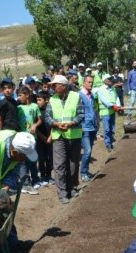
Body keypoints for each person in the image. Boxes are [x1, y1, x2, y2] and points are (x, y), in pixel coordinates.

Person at [45, 75, 84, 204]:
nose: (53, 87)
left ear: (64, 86)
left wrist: (71, 123)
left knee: (73, 164)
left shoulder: (76, 96)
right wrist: (56, 124)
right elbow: (47, 117)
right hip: (58, 136)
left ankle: (72, 187)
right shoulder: (52, 99)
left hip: (74, 135)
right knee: (60, 165)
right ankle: (62, 193)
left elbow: (81, 114)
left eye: (56, 85)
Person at [17, 86, 42, 191]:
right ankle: (25, 182)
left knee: (32, 159)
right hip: (22, 139)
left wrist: (35, 125)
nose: (18, 98)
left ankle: (35, 179)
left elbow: (40, 120)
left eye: (20, 95)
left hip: (32, 138)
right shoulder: (18, 108)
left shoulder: (35, 106)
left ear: (27, 95)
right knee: (23, 161)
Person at [79, 75, 98, 182]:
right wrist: (80, 126)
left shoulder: (92, 95)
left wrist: (96, 124)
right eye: (89, 82)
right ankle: (83, 173)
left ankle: (86, 171)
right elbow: (78, 112)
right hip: (84, 127)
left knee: (89, 151)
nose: (91, 84)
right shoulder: (80, 96)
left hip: (92, 127)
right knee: (87, 150)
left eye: (92, 82)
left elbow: (93, 110)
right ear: (84, 83)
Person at [34, 91, 53, 186]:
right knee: (41, 158)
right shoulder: (37, 112)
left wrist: (50, 137)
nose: (38, 102)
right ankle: (42, 175)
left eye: (40, 100)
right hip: (40, 139)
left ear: (46, 100)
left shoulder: (51, 111)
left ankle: (49, 175)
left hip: (50, 138)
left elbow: (54, 125)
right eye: (37, 100)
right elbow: (34, 126)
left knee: (50, 158)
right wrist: (41, 136)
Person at [97, 74, 120, 152]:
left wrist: (118, 105)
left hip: (113, 111)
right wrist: (112, 105)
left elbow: (116, 97)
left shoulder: (113, 88)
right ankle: (108, 144)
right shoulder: (101, 89)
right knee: (107, 129)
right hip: (105, 112)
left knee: (112, 128)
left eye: (111, 79)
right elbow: (104, 100)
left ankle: (111, 142)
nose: (111, 80)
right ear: (105, 80)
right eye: (109, 79)